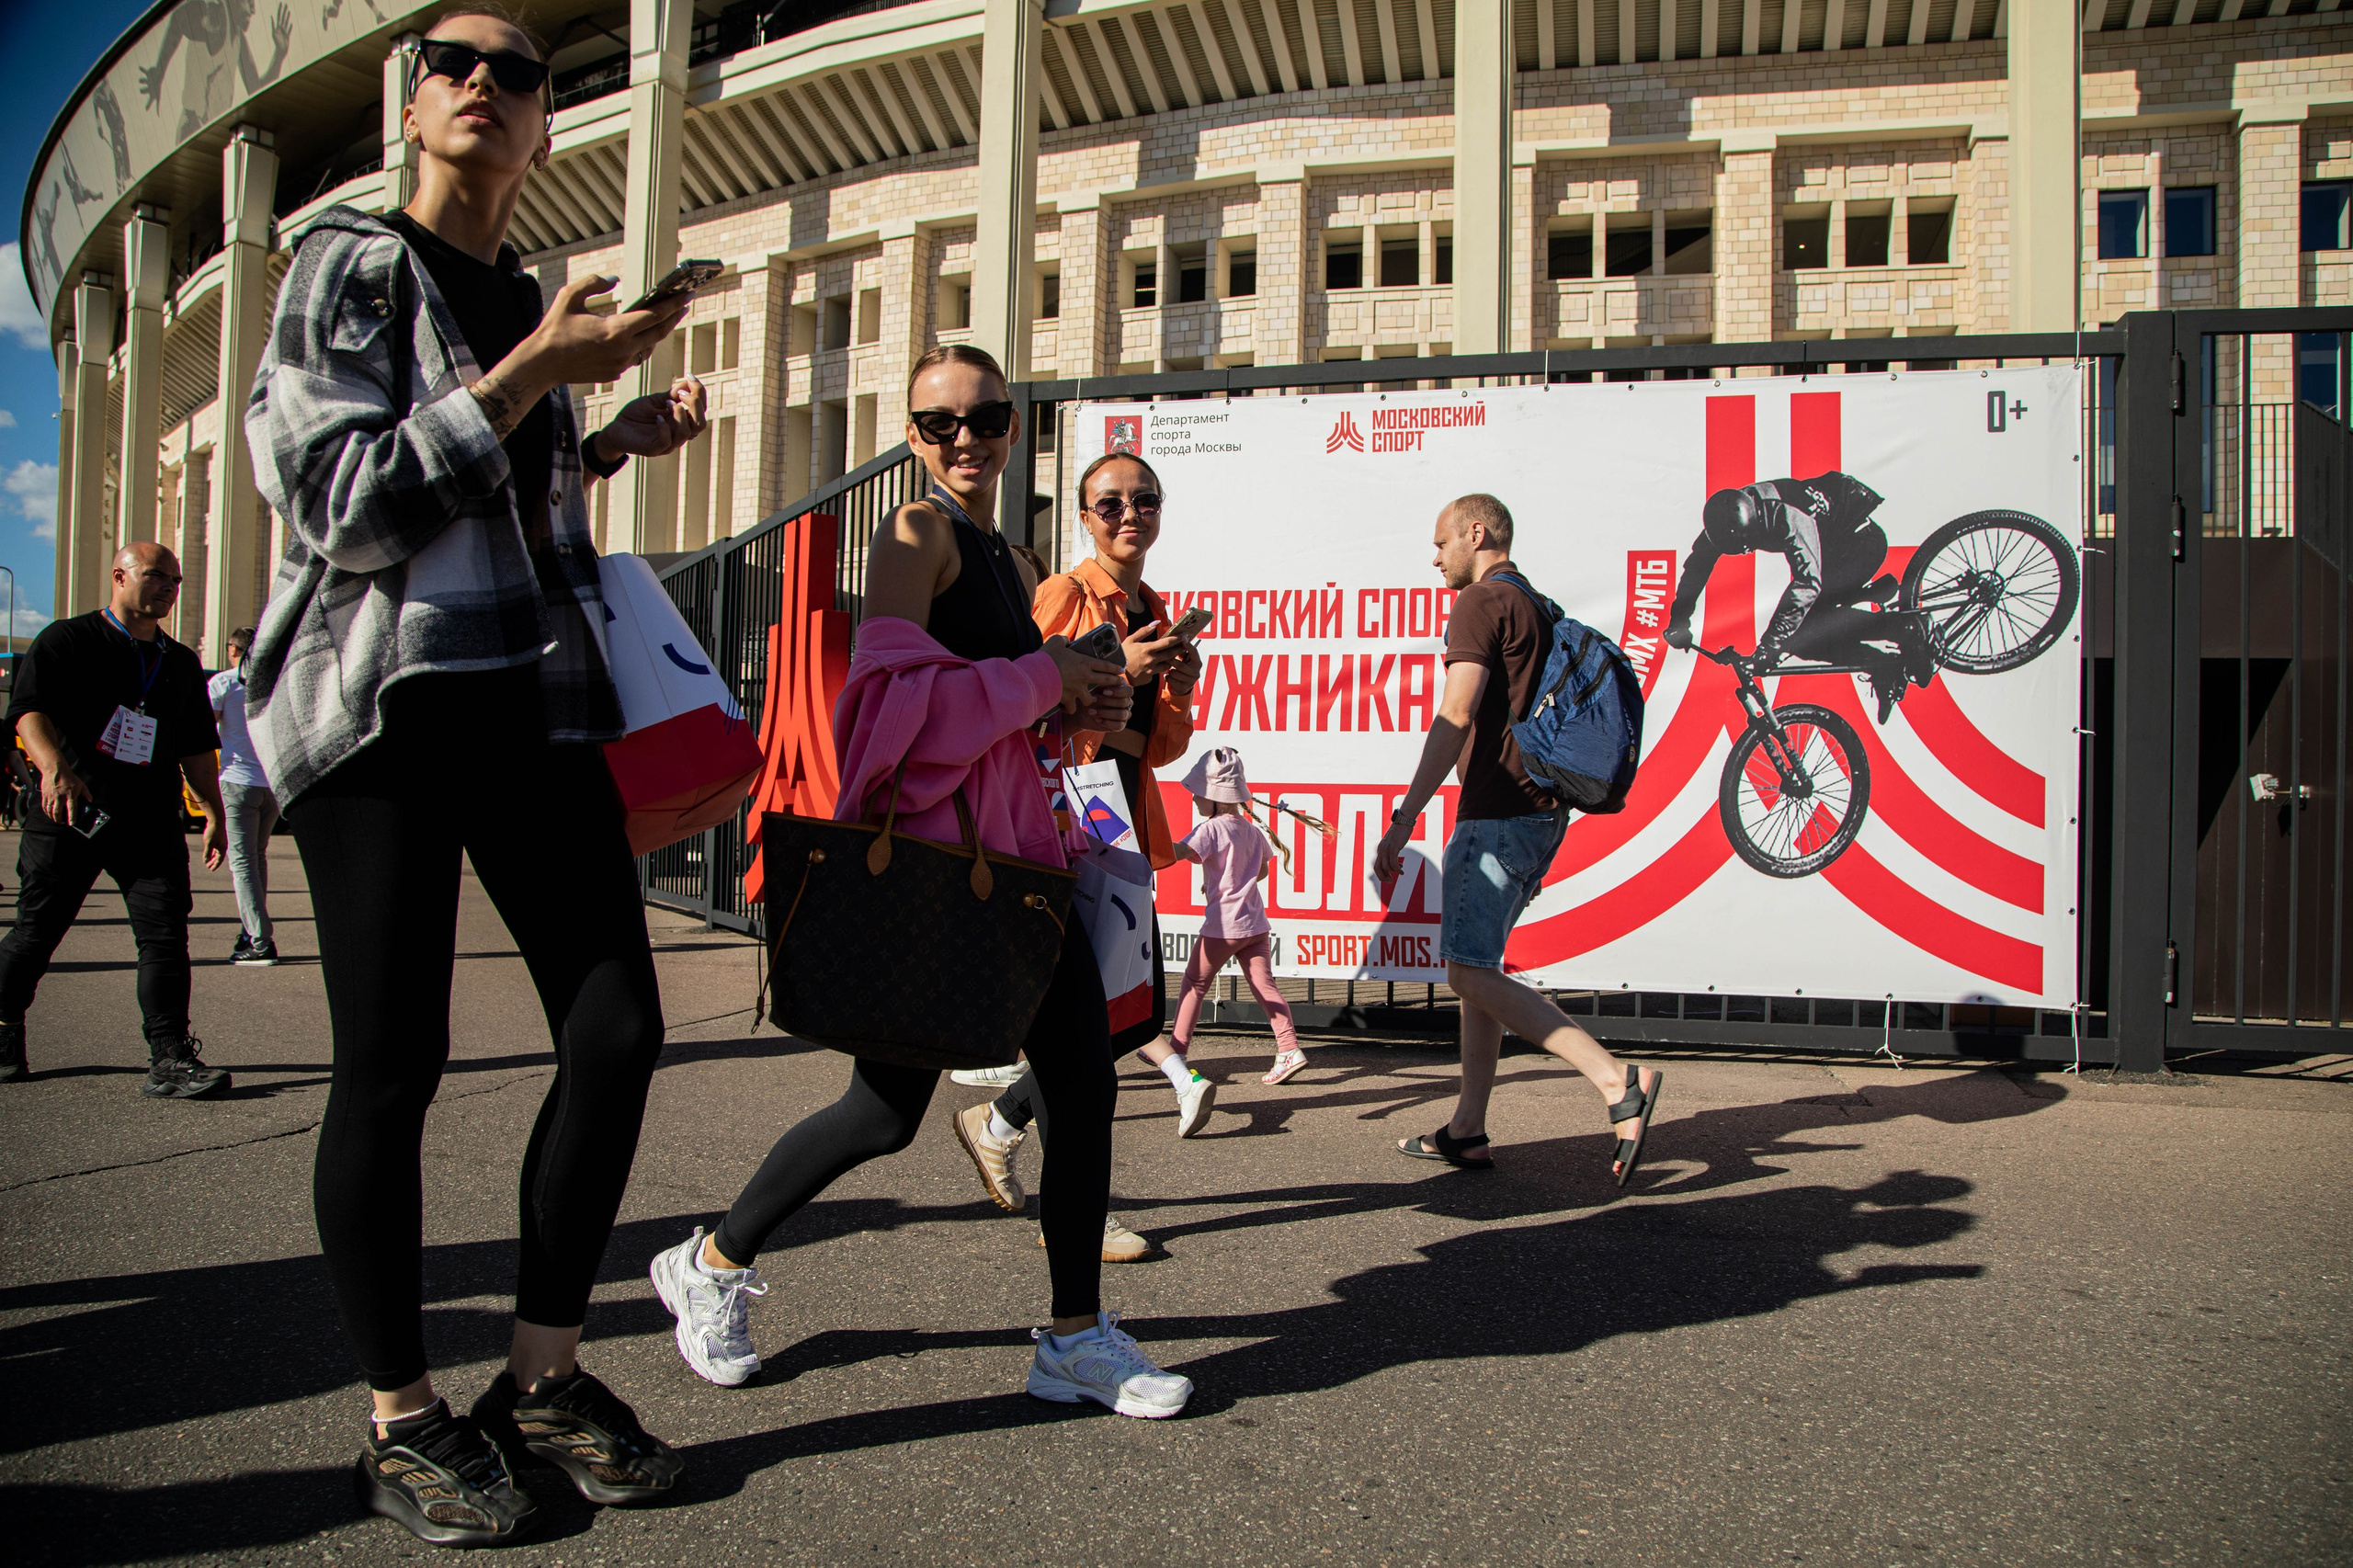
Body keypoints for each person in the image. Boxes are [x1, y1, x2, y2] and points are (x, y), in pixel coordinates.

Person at [244, 6, 710, 1547]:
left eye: (518, 73)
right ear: (411, 104)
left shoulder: (525, 296)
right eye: (453, 63)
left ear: (544, 128)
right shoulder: (344, 266)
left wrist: (607, 422)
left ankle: (542, 1378)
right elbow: (347, 505)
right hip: (380, 707)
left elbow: (512, 502)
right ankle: (400, 1417)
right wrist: (530, 377)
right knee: (394, 1063)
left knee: (619, 1027)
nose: (484, 86)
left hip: (535, 703)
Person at [648, 345, 1196, 1425]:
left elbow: (1008, 718)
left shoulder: (1006, 548)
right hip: (945, 870)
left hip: (1024, 864)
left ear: (1009, 427)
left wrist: (1100, 687)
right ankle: (708, 1259)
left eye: (986, 417)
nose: (966, 439)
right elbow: (886, 707)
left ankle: (1076, 1336)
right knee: (883, 1110)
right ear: (910, 438)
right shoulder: (916, 532)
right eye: (940, 423)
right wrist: (1048, 673)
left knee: (1082, 1088)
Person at [952, 451, 1211, 1263]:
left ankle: (996, 1124)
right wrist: (1122, 668)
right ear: (1084, 516)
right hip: (1069, 815)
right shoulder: (1065, 594)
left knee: (1123, 1019)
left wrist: (1179, 683)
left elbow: (1162, 749)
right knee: (1091, 1027)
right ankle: (1078, 1212)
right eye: (1111, 504)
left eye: (1145, 501)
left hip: (1118, 817)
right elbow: (1029, 711)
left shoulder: (1153, 604)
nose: (1130, 514)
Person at [1372, 494, 1663, 1181]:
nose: (1434, 556)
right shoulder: (1534, 603)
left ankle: (1618, 1081)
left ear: (1477, 533)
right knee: (1481, 967)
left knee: (1465, 970)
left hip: (1496, 810)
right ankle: (1467, 1129)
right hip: (1539, 812)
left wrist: (1406, 814)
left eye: (1441, 541)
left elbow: (1455, 712)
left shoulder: (1479, 602)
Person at [0, 542, 228, 1092]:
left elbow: (196, 745)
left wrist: (213, 811)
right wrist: (54, 769)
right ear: (120, 576)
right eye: (155, 576)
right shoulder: (68, 639)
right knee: (37, 931)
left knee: (166, 936)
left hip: (149, 821)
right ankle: (4, 1028)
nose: (168, 588)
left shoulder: (179, 663)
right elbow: (28, 712)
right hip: (72, 813)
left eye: (174, 580)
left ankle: (171, 1056)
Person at [1662, 471, 1935, 723]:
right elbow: (1697, 565)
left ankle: (1905, 628)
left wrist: (1770, 647)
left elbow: (1808, 583)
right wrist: (1679, 620)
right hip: (1831, 548)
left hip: (1861, 545)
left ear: (1754, 524)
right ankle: (1883, 665)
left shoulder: (1785, 516)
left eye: (1747, 545)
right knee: (1804, 638)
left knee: (1806, 630)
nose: (1747, 551)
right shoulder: (1723, 518)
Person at [1167, 748, 1309, 1085]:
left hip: (1224, 926)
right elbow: (1259, 871)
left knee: (1194, 984)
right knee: (1265, 986)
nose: (1193, 800)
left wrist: (1144, 839)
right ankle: (1289, 1048)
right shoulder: (1251, 831)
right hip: (1254, 925)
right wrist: (1229, 881)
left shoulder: (1210, 828)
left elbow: (1179, 853)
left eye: (1198, 794)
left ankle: (1175, 1052)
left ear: (1215, 798)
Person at [209, 626, 278, 965]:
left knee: (242, 863)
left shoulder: (223, 683)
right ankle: (251, 929)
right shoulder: (275, 681)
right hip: (270, 784)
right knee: (257, 857)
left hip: (237, 780)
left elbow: (206, 734)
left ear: (233, 649)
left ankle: (260, 941)